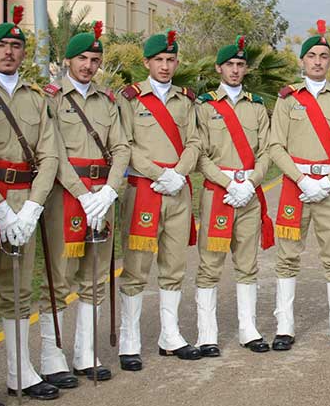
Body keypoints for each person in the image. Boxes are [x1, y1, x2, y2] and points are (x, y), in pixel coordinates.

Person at [0, 6, 63, 405]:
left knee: (19, 291)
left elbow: (49, 155)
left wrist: (32, 207)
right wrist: (1, 209)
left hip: (26, 201)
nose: (9, 52)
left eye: (16, 46)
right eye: (1, 45)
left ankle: (22, 372)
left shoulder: (37, 98)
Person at [41, 22, 129, 382]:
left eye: (95, 59)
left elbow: (122, 147)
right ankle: (51, 356)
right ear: (67, 60)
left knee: (95, 275)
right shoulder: (51, 98)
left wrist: (109, 190)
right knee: (60, 277)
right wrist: (82, 193)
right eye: (82, 58)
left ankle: (85, 353)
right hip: (67, 194)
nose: (88, 65)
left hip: (102, 193)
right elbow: (53, 151)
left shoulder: (107, 100)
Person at [267, 20, 330, 351]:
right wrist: (303, 179)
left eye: (324, 56)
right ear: (302, 61)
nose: (318, 61)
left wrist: (328, 181)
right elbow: (274, 145)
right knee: (288, 257)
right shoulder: (287, 99)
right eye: (312, 56)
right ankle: (285, 327)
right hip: (296, 187)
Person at [118, 30, 202, 369]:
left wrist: (178, 174)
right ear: (146, 63)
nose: (165, 66)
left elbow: (195, 142)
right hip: (144, 191)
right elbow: (125, 144)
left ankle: (170, 335)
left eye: (170, 60)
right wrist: (159, 175)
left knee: (174, 264)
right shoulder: (130, 98)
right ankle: (129, 340)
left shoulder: (185, 100)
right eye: (159, 60)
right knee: (136, 268)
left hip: (178, 190)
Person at [194, 37, 274, 354]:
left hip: (249, 195)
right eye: (230, 65)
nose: (236, 70)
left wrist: (251, 182)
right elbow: (199, 154)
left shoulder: (256, 106)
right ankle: (206, 333)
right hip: (218, 194)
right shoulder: (204, 107)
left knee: (247, 263)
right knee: (209, 264)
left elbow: (267, 150)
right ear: (219, 68)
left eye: (241, 65)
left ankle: (248, 329)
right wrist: (228, 183)